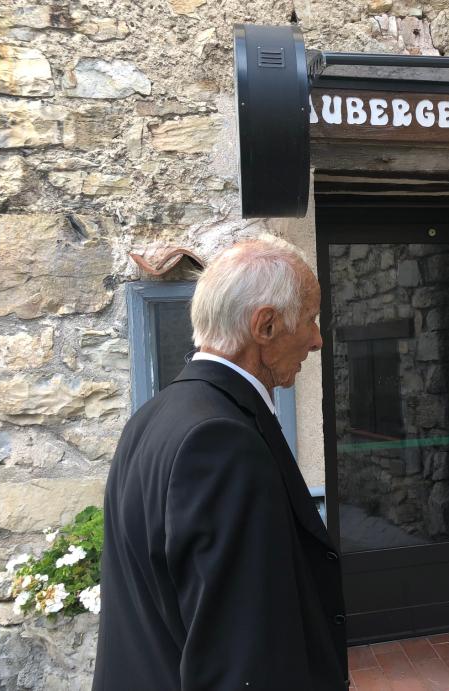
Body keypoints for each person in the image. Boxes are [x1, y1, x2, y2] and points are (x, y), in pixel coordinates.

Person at [93, 238, 348, 690]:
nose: (316, 339)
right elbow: (239, 655)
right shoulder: (221, 440)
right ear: (265, 325)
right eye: (310, 319)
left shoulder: (154, 415)